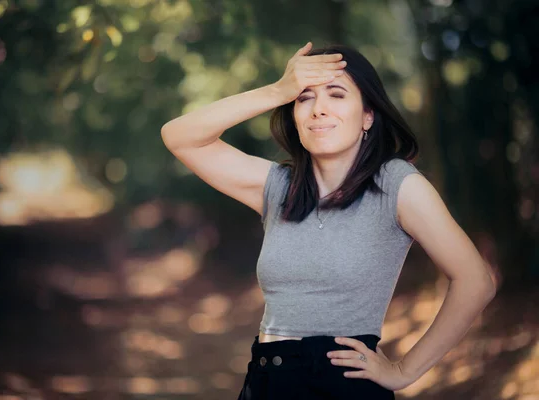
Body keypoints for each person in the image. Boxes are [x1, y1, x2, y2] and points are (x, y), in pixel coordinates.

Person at [161, 42, 496, 399]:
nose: (318, 109)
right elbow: (180, 137)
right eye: (304, 98)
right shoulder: (278, 188)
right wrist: (278, 90)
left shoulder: (396, 185)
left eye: (336, 95)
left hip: (342, 385)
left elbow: (476, 280)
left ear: (368, 115)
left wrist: (404, 370)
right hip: (266, 380)